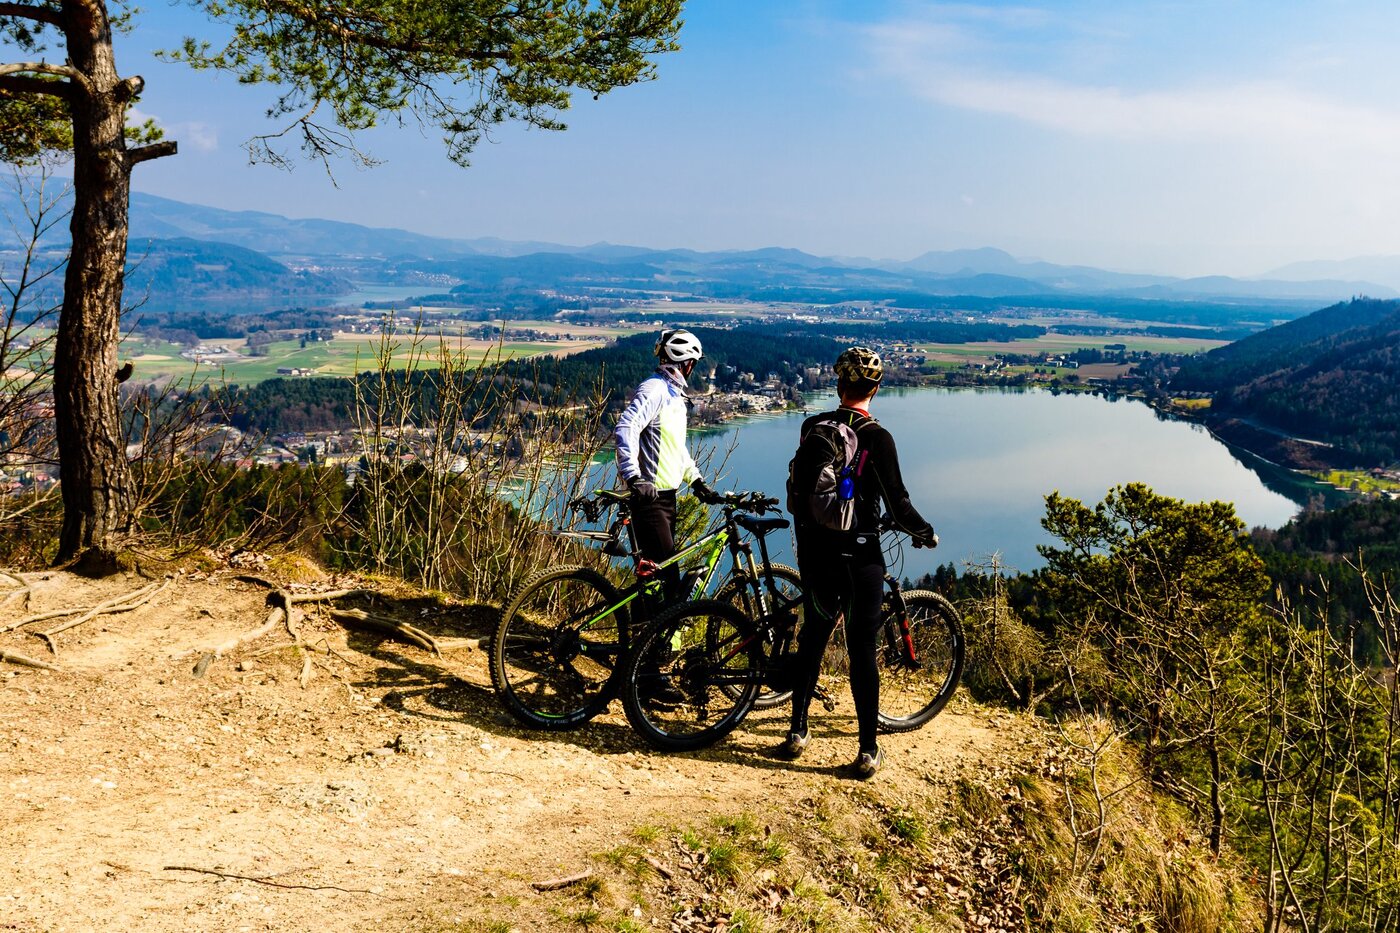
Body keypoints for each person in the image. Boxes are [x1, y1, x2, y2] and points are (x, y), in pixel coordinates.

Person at [781, 346, 938, 779]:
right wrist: (925, 533)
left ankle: (797, 731)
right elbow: (899, 505)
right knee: (862, 649)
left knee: (813, 637)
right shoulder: (877, 437)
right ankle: (867, 751)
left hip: (814, 553)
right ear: (876, 387)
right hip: (860, 556)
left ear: (838, 384)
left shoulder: (813, 426)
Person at [613, 329, 717, 598]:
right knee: (669, 578)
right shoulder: (655, 389)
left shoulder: (674, 396)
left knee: (654, 577)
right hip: (650, 499)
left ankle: (638, 634)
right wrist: (633, 476)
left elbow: (673, 447)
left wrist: (696, 480)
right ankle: (658, 637)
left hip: (666, 498)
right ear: (686, 363)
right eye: (694, 363)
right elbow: (627, 426)